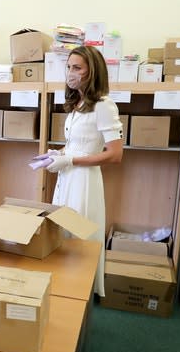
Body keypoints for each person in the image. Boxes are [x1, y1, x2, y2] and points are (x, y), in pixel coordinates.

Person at [40, 45, 123, 297]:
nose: (70, 73)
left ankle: (81, 293)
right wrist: (60, 154)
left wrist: (72, 161)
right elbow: (77, 144)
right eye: (68, 67)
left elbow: (115, 154)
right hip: (68, 176)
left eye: (77, 68)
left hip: (84, 180)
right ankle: (64, 289)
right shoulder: (78, 103)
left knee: (79, 237)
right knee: (61, 231)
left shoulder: (104, 106)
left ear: (92, 72)